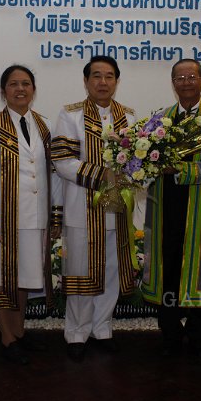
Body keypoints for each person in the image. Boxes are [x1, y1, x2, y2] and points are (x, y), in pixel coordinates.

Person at [140, 59, 201, 362]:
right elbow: (145, 158)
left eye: (191, 76)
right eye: (179, 77)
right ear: (173, 83)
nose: (186, 82)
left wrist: (179, 168)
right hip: (164, 205)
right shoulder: (160, 118)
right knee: (167, 267)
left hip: (200, 206)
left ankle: (198, 335)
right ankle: (169, 332)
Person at [0, 65, 62, 365]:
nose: (20, 89)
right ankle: (8, 338)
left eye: (26, 84)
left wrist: (56, 215)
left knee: (23, 277)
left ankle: (19, 333)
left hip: (36, 218)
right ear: (3, 91)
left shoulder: (45, 124)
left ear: (34, 90)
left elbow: (54, 174)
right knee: (1, 277)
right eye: (13, 84)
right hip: (5, 220)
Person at [52, 56, 135, 362]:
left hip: (117, 212)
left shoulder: (128, 116)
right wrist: (103, 175)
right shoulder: (69, 115)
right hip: (82, 210)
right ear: (86, 81)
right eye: (97, 76)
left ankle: (102, 329)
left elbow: (137, 160)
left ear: (116, 81)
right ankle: (76, 332)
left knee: (111, 272)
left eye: (109, 76)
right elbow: (62, 161)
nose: (103, 82)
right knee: (82, 273)